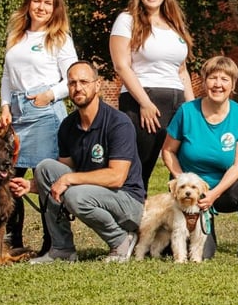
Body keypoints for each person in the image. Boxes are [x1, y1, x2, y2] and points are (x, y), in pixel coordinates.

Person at [10, 61, 145, 263]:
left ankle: (121, 240)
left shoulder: (119, 123)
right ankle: (62, 249)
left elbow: (116, 177)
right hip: (90, 192)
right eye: (72, 83)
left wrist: (69, 179)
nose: (78, 88)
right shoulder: (68, 125)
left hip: (127, 202)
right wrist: (32, 186)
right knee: (45, 168)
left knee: (74, 193)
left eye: (84, 82)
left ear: (97, 85)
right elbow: (63, 173)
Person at [0, 0, 78, 253]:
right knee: (7, 177)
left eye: (48, 2)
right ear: (28, 4)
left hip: (45, 112)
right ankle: (11, 240)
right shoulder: (17, 36)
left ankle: (52, 242)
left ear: (55, 8)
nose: (41, 7)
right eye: (37, 1)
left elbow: (73, 80)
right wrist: (5, 105)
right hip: (18, 114)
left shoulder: (59, 38)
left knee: (45, 179)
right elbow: (7, 76)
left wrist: (51, 95)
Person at [161, 56, 238, 260]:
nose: (218, 84)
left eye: (224, 79)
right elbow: (168, 151)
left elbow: (237, 166)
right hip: (192, 192)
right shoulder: (187, 111)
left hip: (225, 188)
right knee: (204, 254)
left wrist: (213, 195)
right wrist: (184, 181)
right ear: (204, 81)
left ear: (233, 84)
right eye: (212, 78)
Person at [110, 0, 195, 194]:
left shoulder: (174, 24)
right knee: (140, 168)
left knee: (181, 168)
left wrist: (192, 109)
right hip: (144, 102)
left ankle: (178, 224)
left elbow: (182, 71)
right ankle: (132, 223)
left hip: (177, 103)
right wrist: (145, 103)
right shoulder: (126, 20)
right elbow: (122, 65)